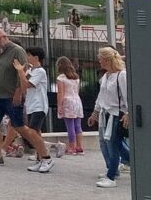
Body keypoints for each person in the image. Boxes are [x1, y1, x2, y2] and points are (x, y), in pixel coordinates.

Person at [0, 27, 50, 172]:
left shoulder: (17, 51)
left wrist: (18, 93)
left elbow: (22, 72)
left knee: (20, 127)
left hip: (11, 96)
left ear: (5, 37)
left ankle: (44, 155)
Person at [88, 46, 131, 188]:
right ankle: (135, 164)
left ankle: (111, 176)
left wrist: (128, 113)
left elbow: (128, 96)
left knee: (113, 144)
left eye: (101, 59)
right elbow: (101, 97)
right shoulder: (106, 76)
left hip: (117, 114)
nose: (99, 61)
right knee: (116, 144)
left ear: (107, 60)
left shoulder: (121, 75)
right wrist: (95, 113)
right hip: (107, 114)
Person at [21, 46, 55, 171]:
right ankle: (40, 158)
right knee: (36, 132)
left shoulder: (40, 71)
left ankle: (46, 158)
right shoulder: (30, 71)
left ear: (36, 57)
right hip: (30, 105)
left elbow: (27, 84)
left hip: (38, 105)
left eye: (29, 55)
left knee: (32, 132)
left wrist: (20, 72)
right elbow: (23, 85)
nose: (27, 57)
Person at [55, 55, 85, 155]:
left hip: (67, 102)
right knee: (78, 125)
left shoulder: (61, 78)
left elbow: (60, 93)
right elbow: (77, 91)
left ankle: (72, 147)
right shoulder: (76, 77)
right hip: (77, 101)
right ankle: (79, 147)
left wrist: (59, 106)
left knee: (70, 125)